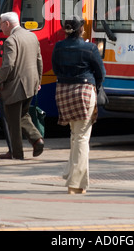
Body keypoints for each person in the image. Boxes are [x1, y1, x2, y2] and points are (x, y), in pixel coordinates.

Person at [52, 15, 105, 194]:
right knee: (82, 137)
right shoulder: (90, 48)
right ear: (81, 29)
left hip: (63, 91)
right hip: (83, 91)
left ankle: (70, 174)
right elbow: (101, 73)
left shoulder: (58, 47)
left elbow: (55, 69)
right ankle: (76, 184)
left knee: (75, 135)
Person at [0, 12, 44, 160]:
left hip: (15, 87)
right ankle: (36, 139)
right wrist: (38, 81)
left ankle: (17, 153)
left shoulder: (11, 40)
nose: (0, 27)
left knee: (13, 120)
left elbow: (9, 65)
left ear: (7, 24)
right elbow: (39, 60)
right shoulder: (32, 36)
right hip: (31, 85)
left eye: (1, 24)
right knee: (23, 114)